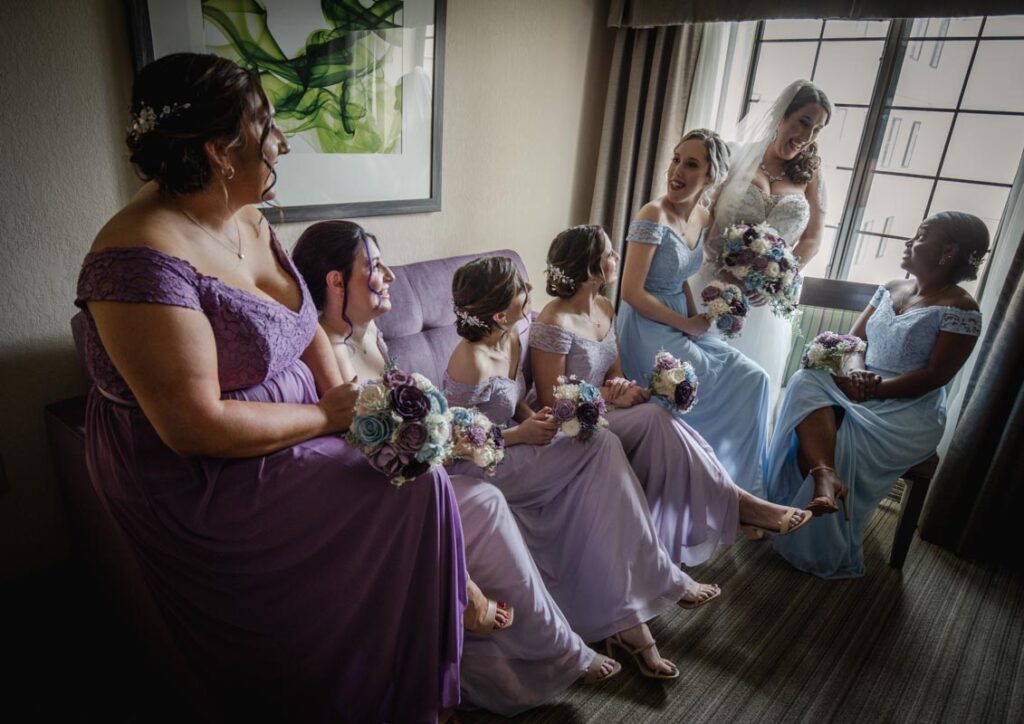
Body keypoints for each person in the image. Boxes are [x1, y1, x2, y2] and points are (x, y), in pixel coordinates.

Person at [76, 53, 465, 722]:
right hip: (204, 473)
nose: (282, 141)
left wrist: (360, 414)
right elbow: (192, 425)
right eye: (267, 125)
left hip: (298, 421)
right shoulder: (138, 258)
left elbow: (304, 320)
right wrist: (327, 418)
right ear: (218, 150)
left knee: (415, 472)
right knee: (414, 492)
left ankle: (409, 686)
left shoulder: (249, 216)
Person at [291, 220, 621, 716]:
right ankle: (552, 643)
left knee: (560, 463)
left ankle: (574, 616)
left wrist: (450, 435)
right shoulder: (325, 347)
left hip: (428, 467)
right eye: (375, 267)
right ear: (336, 282)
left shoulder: (370, 333)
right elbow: (357, 443)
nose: (390, 276)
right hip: (382, 491)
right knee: (486, 501)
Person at [445, 257, 722, 681]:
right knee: (600, 444)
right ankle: (657, 582)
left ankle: (626, 615)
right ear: (499, 314)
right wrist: (520, 435)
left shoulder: (511, 336)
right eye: (520, 290)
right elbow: (455, 445)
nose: (530, 292)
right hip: (481, 468)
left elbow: (513, 401)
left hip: (514, 447)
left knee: (598, 449)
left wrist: (535, 419)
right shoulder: (469, 360)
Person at [531, 224, 811, 564]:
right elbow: (552, 401)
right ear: (591, 269)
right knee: (655, 417)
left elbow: (614, 370)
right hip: (573, 423)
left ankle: (731, 505)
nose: (617, 256)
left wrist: (621, 385)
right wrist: (610, 394)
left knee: (664, 416)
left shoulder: (604, 307)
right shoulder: (553, 321)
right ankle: (739, 505)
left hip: (606, 408)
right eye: (608, 253)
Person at [765, 212, 987, 579]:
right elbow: (854, 342)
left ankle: (821, 523)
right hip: (861, 384)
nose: (909, 241)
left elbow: (936, 377)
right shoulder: (891, 287)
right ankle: (825, 477)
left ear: (948, 251)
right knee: (805, 380)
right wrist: (856, 373)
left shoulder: (962, 309)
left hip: (908, 408)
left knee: (839, 439)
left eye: (921, 235)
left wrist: (876, 389)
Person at [616, 129, 771, 494]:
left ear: (710, 176)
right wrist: (686, 323)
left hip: (679, 318)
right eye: (675, 160)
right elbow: (631, 292)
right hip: (645, 324)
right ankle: (691, 481)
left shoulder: (703, 216)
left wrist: (695, 319)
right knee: (698, 378)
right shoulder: (653, 214)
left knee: (756, 379)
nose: (676, 171)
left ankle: (737, 484)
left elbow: (681, 276)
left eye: (690, 164)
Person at [694, 80, 832, 410]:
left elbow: (812, 238)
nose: (807, 136)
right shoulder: (737, 155)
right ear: (782, 116)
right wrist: (721, 264)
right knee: (698, 378)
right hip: (713, 283)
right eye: (803, 122)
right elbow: (702, 212)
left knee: (743, 394)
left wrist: (776, 279)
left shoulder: (811, 175)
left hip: (763, 303)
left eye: (817, 130)